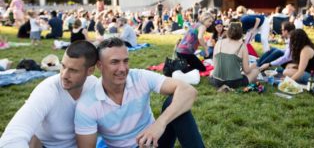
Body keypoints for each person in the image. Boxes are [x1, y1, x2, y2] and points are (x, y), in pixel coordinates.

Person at [75, 37, 204, 148]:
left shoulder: (139, 77)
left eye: (125, 61)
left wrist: (159, 124)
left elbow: (188, 90)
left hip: (153, 141)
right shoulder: (87, 105)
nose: (122, 68)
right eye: (114, 62)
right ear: (99, 65)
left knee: (175, 101)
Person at [0, 41, 99, 148]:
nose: (64, 75)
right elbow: (12, 137)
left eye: (73, 70)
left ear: (90, 71)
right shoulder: (47, 90)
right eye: (63, 66)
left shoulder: (94, 85)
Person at [209, 22, 259, 89]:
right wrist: (253, 66)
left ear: (228, 31)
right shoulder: (242, 46)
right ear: (240, 33)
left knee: (212, 72)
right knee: (256, 71)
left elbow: (215, 65)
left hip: (216, 81)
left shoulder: (219, 42)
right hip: (233, 82)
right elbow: (247, 71)